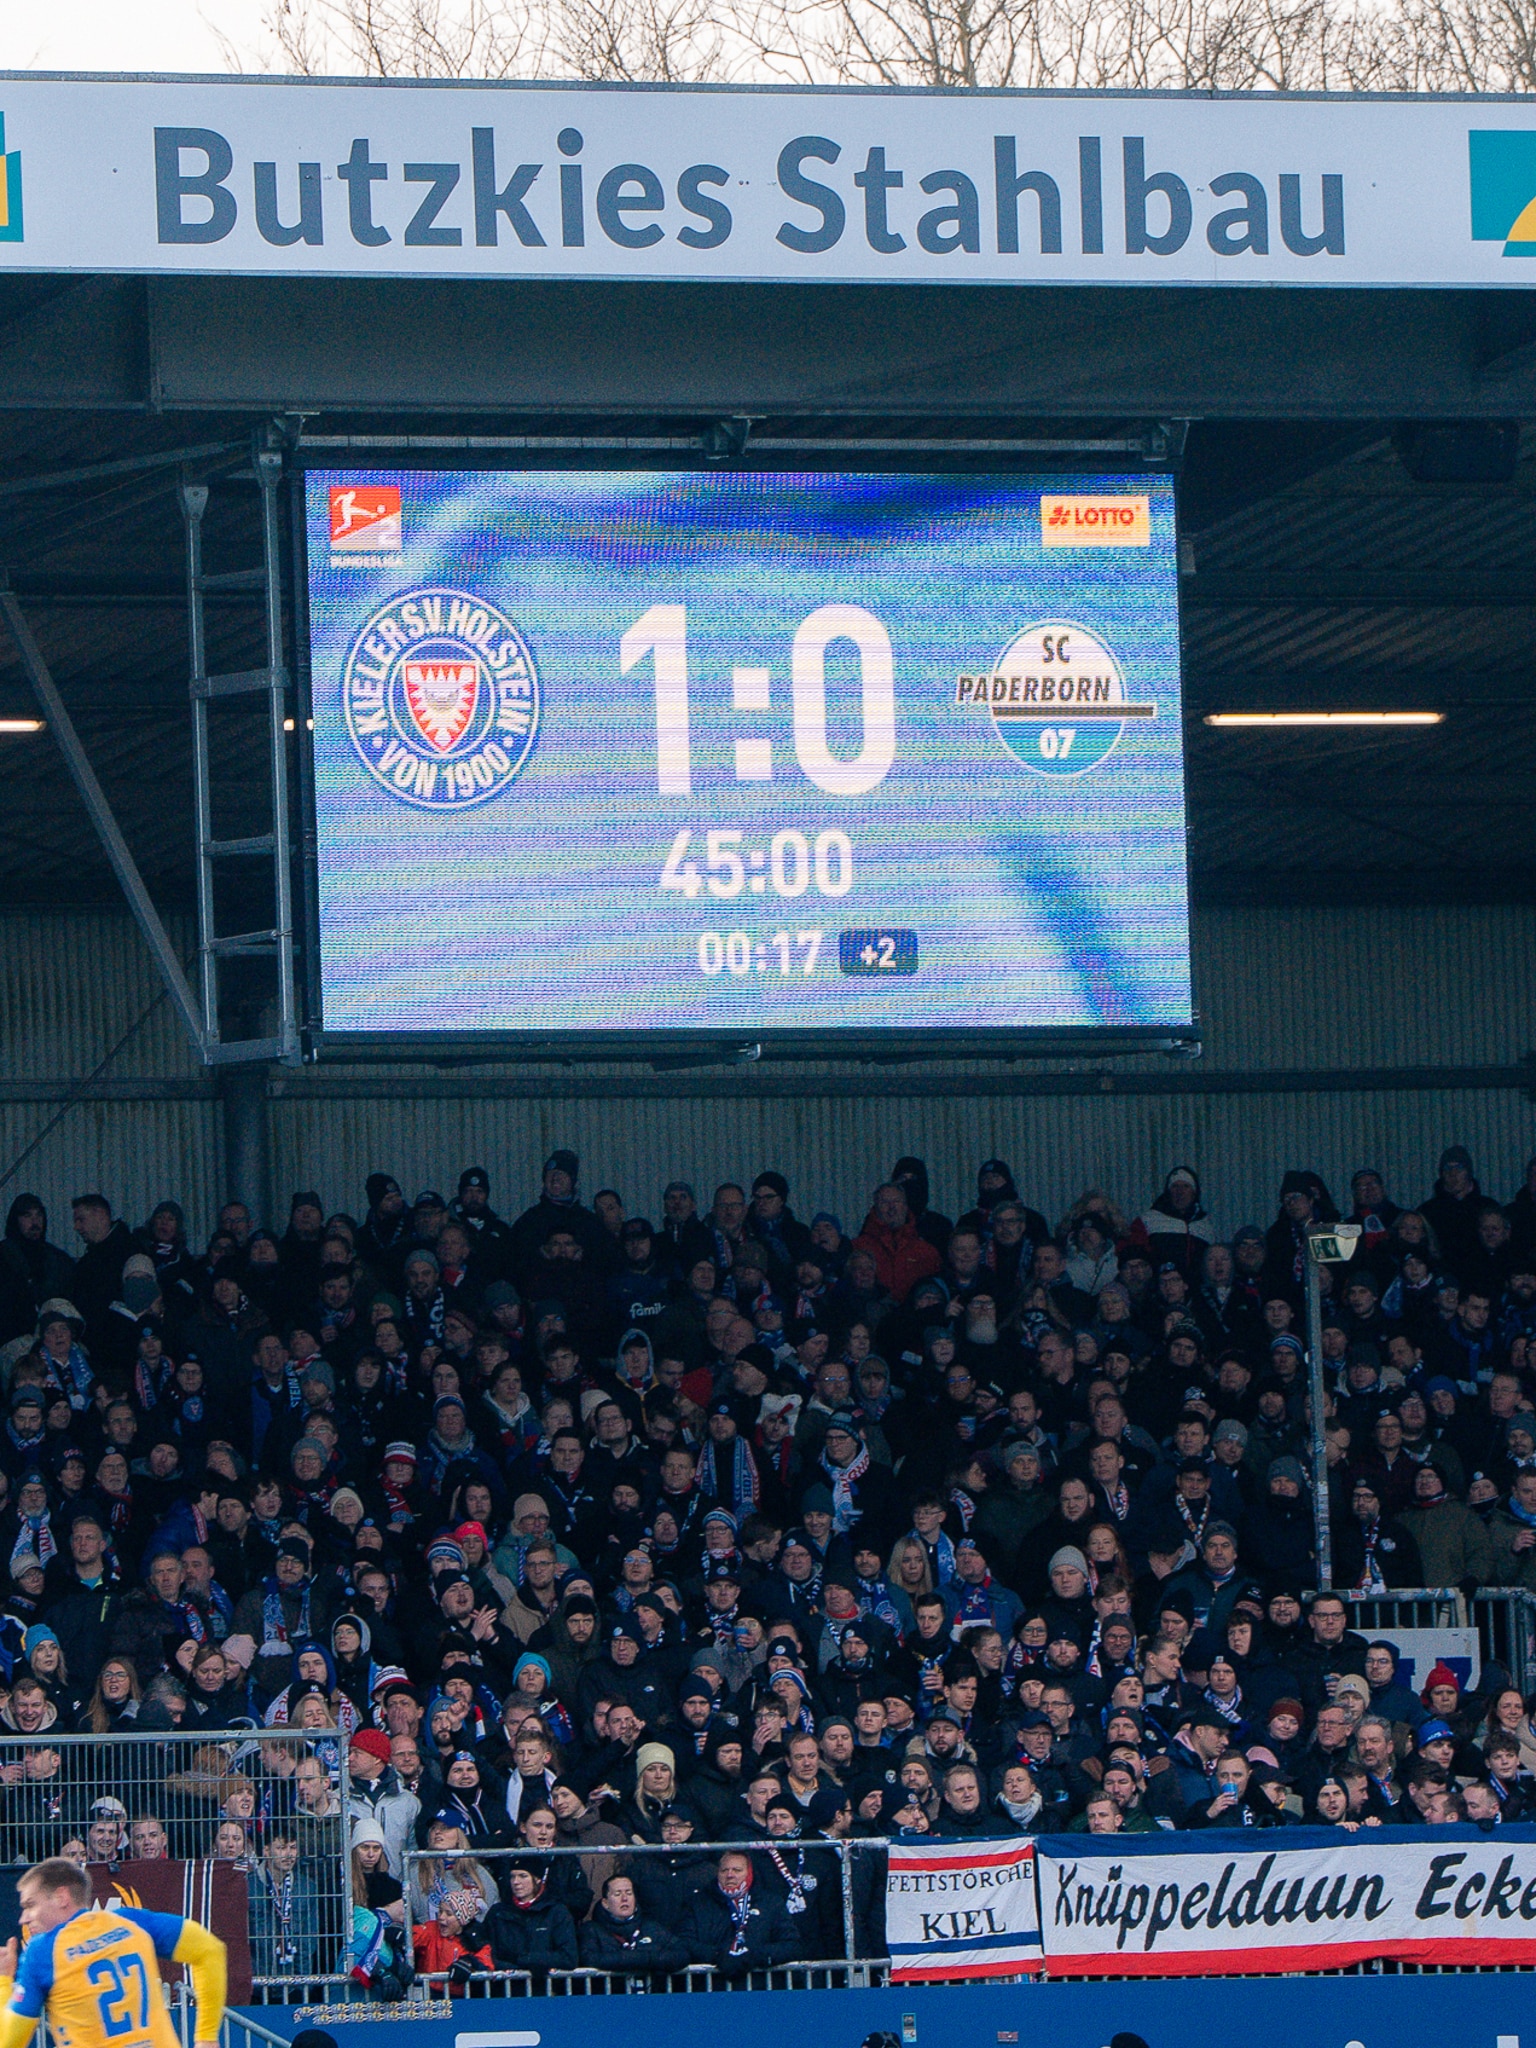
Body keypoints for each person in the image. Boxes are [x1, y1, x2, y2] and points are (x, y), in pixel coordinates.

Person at [0, 1858, 225, 2048]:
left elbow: (9, 2041)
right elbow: (210, 1950)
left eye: (30, 1905)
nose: (24, 1918)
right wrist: (206, 2036)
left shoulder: (42, 1951)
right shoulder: (131, 1921)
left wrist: (3, 1981)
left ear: (61, 1897)